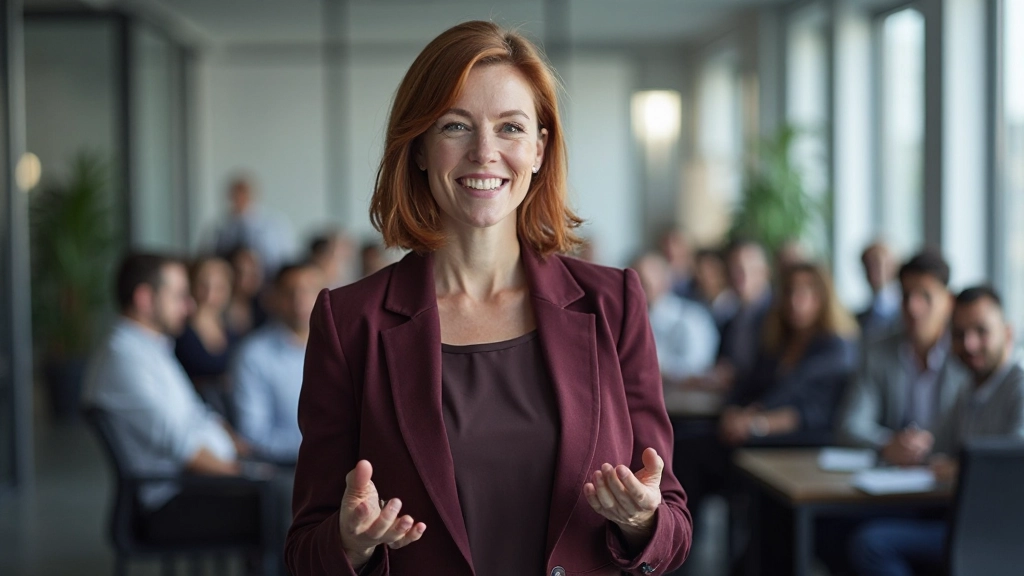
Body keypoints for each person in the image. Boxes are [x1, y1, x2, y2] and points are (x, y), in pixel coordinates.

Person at [285, 21, 692, 576]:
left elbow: (673, 524)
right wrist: (349, 542)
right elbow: (305, 549)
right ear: (422, 148)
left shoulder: (612, 303)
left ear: (540, 150)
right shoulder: (349, 320)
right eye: (455, 125)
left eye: (510, 128)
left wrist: (642, 521)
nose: (484, 152)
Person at [82, 253, 262, 543]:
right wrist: (248, 474)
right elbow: (185, 449)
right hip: (170, 500)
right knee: (285, 503)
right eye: (179, 296)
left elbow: (196, 414)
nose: (189, 306)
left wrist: (247, 454)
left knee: (290, 495)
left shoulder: (150, 347)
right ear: (144, 298)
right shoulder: (125, 358)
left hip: (193, 487)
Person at [848, 286, 1024, 576]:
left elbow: (1013, 466)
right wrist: (911, 445)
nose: (969, 344)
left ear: (1007, 333)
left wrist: (959, 469)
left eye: (982, 331)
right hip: (960, 516)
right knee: (846, 527)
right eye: (959, 334)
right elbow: (932, 440)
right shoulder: (970, 389)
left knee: (872, 545)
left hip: (996, 533)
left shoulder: (1018, 387)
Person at [837, 249, 970, 465]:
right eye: (906, 296)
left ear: (949, 301)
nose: (913, 307)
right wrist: (887, 444)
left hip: (948, 476)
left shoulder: (967, 352)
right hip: (891, 479)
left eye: (925, 296)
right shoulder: (877, 351)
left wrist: (930, 445)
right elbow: (851, 425)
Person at [719, 263, 859, 446]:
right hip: (753, 432)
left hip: (801, 441)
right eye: (789, 292)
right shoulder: (777, 342)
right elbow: (746, 387)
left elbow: (814, 412)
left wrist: (756, 424)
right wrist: (732, 412)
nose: (794, 301)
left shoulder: (835, 348)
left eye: (804, 293)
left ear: (823, 298)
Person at [232, 262, 323, 464]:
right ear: (275, 298)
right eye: (290, 292)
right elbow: (253, 435)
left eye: (309, 291)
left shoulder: (341, 345)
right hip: (287, 468)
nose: (300, 300)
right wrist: (320, 445)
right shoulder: (254, 354)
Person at [632, 252, 719, 386]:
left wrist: (656, 368)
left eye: (644, 283)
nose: (638, 289)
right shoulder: (627, 321)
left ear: (665, 282)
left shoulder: (693, 317)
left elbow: (698, 366)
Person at [174, 256, 238, 418]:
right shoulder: (178, 332)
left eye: (219, 287)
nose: (210, 294)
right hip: (194, 416)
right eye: (203, 285)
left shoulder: (234, 332)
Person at [706, 239, 773, 391]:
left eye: (746, 270)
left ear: (765, 272)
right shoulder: (731, 318)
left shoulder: (779, 317)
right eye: (733, 270)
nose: (738, 277)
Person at [208, 175, 298, 278]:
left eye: (243, 194)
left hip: (269, 279)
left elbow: (287, 257)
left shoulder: (275, 223)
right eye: (235, 196)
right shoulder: (220, 226)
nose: (239, 199)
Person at [857, 241, 901, 339]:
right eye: (868, 265)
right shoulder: (860, 318)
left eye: (880, 264)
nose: (874, 271)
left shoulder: (906, 310)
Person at [691, 247, 738, 329]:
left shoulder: (733, 304)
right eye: (700, 271)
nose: (703, 276)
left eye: (709, 270)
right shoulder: (697, 303)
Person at [226, 246, 268, 336]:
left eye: (255, 272)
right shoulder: (221, 309)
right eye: (246, 273)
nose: (253, 278)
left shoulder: (265, 307)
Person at [659, 228, 696, 300]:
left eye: (676, 243)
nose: (671, 249)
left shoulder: (698, 276)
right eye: (666, 244)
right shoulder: (660, 277)